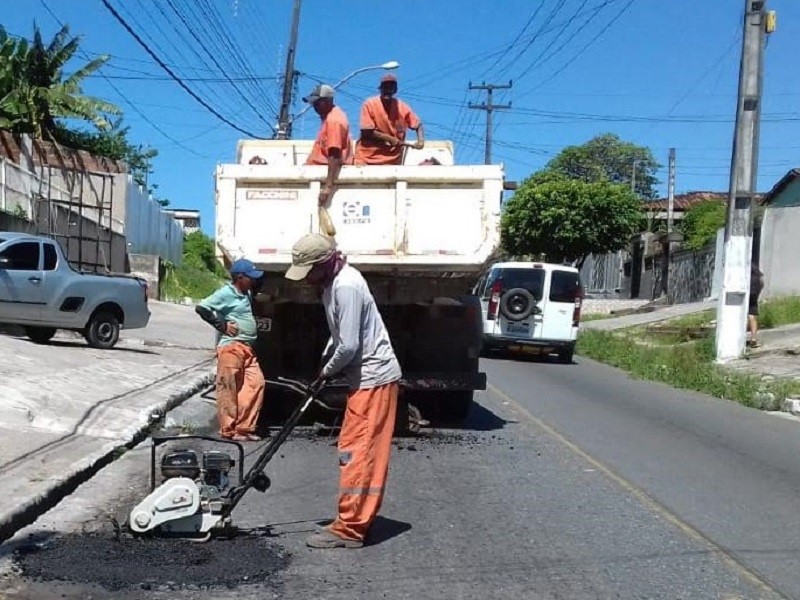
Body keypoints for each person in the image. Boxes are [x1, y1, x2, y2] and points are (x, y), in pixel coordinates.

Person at [285, 233, 402, 549]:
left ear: (325, 263)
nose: (306, 278)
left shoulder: (346, 286)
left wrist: (327, 371)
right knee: (355, 448)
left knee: (358, 452)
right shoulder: (332, 285)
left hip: (374, 379)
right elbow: (338, 336)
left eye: (309, 271)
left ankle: (350, 528)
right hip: (364, 379)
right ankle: (354, 519)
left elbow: (349, 345)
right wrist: (324, 363)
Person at [196, 258, 266, 441]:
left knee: (256, 384)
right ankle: (228, 430)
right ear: (240, 277)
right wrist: (222, 325)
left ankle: (244, 429)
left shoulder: (246, 293)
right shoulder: (226, 293)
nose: (253, 280)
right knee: (228, 388)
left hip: (247, 350)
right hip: (231, 347)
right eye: (250, 277)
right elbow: (202, 307)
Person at [354, 74, 424, 166]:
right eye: (385, 87)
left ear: (395, 90)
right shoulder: (369, 104)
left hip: (392, 160)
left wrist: (421, 141)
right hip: (367, 157)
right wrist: (389, 138)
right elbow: (366, 131)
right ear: (380, 89)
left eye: (391, 88)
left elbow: (418, 125)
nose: (388, 90)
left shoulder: (402, 107)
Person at [302, 83, 352, 208]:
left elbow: (334, 154)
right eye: (314, 103)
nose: (314, 106)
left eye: (318, 103)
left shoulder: (334, 120)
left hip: (322, 175)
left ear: (328, 101)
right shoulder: (329, 117)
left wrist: (328, 187)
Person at [748, 262, 764, 348]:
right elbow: (761, 280)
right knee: (752, 314)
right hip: (754, 290)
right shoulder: (753, 266)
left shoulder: (740, 264)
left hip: (746, 289)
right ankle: (753, 338)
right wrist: (758, 292)